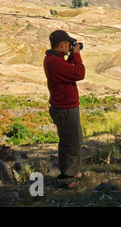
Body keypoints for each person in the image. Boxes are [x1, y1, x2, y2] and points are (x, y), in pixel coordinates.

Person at [43, 30, 89, 187]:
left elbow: (67, 69)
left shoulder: (54, 59)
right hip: (64, 109)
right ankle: (66, 178)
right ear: (62, 44)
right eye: (68, 44)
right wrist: (76, 54)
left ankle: (74, 171)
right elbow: (79, 72)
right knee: (69, 142)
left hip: (67, 107)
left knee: (75, 140)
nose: (70, 46)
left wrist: (71, 54)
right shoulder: (54, 62)